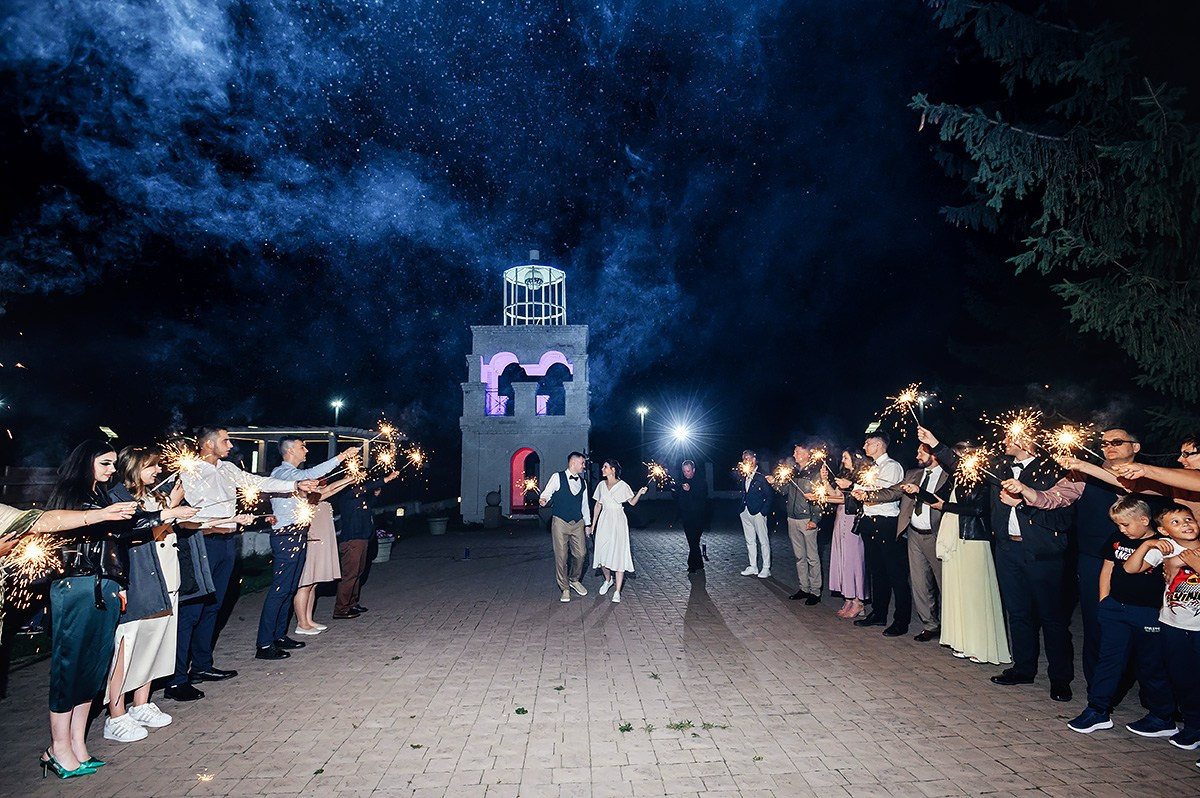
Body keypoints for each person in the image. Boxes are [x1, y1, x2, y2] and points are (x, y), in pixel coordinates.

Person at [172, 427, 320, 699]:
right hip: (200, 542)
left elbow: (259, 482)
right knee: (192, 610)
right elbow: (176, 512)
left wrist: (295, 485)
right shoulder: (189, 470)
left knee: (214, 605)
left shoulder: (228, 469)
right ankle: (177, 678)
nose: (230, 445)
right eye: (224, 440)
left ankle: (202, 666)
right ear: (207, 443)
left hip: (228, 541)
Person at [1003, 427, 1151, 693]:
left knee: (1146, 628)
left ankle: (1152, 697)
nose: (1109, 446)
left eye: (1117, 442)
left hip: (1147, 564)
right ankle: (1099, 693)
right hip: (1095, 560)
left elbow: (1131, 486)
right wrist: (1026, 491)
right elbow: (1052, 499)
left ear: (1136, 447)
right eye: (1104, 443)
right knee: (1097, 624)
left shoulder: (1151, 475)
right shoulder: (1081, 475)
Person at [40, 441, 139, 779]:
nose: (112, 470)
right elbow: (51, 523)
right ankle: (57, 747)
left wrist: (166, 514)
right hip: (75, 588)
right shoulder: (71, 493)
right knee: (69, 667)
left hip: (104, 587)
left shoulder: (102, 495)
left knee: (94, 667)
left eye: (113, 464)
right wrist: (103, 514)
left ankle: (78, 743)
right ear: (86, 461)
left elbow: (122, 532)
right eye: (106, 463)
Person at [103, 447, 198, 743]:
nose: (158, 471)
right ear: (131, 467)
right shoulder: (119, 498)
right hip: (140, 581)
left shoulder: (156, 496)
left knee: (156, 644)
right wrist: (172, 506)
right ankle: (115, 714)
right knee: (128, 645)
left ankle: (141, 703)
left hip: (167, 578)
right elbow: (137, 528)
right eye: (151, 466)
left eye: (158, 465)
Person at [1065, 497, 1176, 737]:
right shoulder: (1117, 539)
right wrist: (1104, 601)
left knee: (1150, 666)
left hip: (1147, 613)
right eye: (1118, 525)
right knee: (1109, 660)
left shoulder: (1163, 545)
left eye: (1126, 525)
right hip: (1115, 609)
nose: (1121, 530)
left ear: (1145, 520)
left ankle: (1162, 717)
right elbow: (1107, 569)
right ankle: (1097, 710)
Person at [986, 422, 1075, 702]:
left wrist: (1022, 504)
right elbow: (963, 466)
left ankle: (1060, 679)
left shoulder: (1054, 470)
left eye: (1010, 437)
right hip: (1008, 551)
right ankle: (1023, 669)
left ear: (1026, 441)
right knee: (1018, 613)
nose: (1003, 441)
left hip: (1043, 555)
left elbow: (1063, 519)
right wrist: (936, 443)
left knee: (1052, 619)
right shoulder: (1001, 468)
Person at [257, 437, 357, 659]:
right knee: (279, 590)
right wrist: (341, 457)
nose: (306, 450)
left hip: (298, 533)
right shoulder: (282, 473)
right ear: (290, 450)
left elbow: (314, 487)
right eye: (302, 446)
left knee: (291, 588)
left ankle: (279, 635)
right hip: (286, 536)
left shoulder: (295, 475)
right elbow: (307, 476)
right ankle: (264, 643)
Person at [916, 434, 1010, 665]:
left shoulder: (983, 478)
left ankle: (980, 645)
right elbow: (938, 499)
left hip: (973, 539)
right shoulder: (957, 479)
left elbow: (978, 510)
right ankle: (962, 641)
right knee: (958, 592)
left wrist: (945, 505)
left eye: (958, 457)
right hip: (955, 537)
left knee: (974, 595)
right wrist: (917, 491)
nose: (955, 462)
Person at [1124, 503, 1200, 752]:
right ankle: (1192, 728)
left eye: (1188, 519)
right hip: (1173, 625)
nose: (1185, 525)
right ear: (1163, 530)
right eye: (1175, 522)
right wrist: (1148, 544)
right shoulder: (1166, 549)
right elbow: (1131, 568)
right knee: (1183, 680)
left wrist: (1187, 563)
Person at [867, 442, 952, 640]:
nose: (917, 455)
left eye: (921, 451)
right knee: (919, 583)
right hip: (913, 534)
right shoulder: (913, 473)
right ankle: (930, 625)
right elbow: (893, 491)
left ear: (935, 454)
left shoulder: (949, 477)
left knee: (943, 583)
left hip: (937, 535)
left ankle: (951, 626)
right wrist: (868, 494)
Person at [845, 431, 907, 636]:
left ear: (880, 445)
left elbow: (885, 493)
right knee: (876, 571)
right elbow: (862, 495)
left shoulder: (892, 467)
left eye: (868, 443)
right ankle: (879, 613)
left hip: (886, 522)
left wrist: (857, 488)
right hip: (869, 522)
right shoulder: (869, 468)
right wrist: (854, 490)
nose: (864, 447)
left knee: (895, 572)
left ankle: (901, 620)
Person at [293, 476, 358, 636]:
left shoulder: (316, 497)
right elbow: (330, 489)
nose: (319, 485)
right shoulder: (303, 499)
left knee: (313, 584)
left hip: (320, 545)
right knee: (304, 585)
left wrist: (348, 481)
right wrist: (347, 479)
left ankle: (308, 620)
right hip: (311, 544)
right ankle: (301, 623)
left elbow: (332, 489)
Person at [332, 472, 398, 619]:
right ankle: (341, 609)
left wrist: (375, 496)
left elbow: (367, 507)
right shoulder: (347, 495)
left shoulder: (358, 498)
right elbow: (364, 489)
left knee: (358, 573)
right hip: (352, 540)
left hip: (362, 539)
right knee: (349, 575)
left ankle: (352, 603)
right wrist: (385, 479)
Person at [590, 459, 647, 603]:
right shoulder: (601, 485)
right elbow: (598, 505)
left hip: (618, 521)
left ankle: (617, 590)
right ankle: (608, 580)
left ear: (613, 470)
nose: (602, 469)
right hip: (604, 520)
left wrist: (639, 492)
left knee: (618, 553)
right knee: (602, 553)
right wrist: (592, 525)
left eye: (605, 467)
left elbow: (632, 502)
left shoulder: (623, 485)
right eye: (603, 466)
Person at [821, 451, 870, 619]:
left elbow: (851, 499)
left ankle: (859, 601)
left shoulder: (862, 477)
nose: (842, 460)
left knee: (853, 560)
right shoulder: (843, 476)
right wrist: (824, 482)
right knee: (842, 558)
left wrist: (847, 488)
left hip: (852, 520)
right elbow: (835, 495)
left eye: (846, 457)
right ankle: (849, 598)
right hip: (840, 518)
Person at [538, 452, 592, 602]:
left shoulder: (583, 482)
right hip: (560, 522)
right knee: (561, 557)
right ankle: (565, 588)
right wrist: (543, 499)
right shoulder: (557, 477)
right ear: (573, 463)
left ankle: (574, 579)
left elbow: (584, 505)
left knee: (581, 554)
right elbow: (547, 492)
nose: (584, 466)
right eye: (582, 463)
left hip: (578, 523)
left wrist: (588, 524)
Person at [777, 445, 823, 603]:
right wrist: (774, 482)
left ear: (806, 454)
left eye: (797, 452)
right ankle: (804, 588)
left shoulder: (815, 473)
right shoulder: (794, 471)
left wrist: (815, 519)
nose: (794, 454)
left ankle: (815, 592)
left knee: (812, 557)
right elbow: (783, 491)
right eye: (794, 451)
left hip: (806, 519)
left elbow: (819, 498)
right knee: (799, 557)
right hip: (792, 518)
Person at [738, 450, 773, 578]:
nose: (745, 461)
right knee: (750, 540)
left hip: (758, 512)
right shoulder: (745, 474)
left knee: (763, 540)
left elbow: (769, 496)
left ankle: (766, 568)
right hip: (745, 511)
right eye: (744, 459)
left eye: (747, 458)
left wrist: (763, 512)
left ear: (753, 460)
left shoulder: (761, 475)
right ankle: (753, 566)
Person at [674, 460, 708, 574]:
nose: (686, 473)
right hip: (686, 516)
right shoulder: (681, 481)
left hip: (698, 516)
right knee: (692, 541)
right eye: (684, 471)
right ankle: (698, 564)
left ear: (693, 470)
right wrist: (675, 490)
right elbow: (677, 497)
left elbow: (702, 497)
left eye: (688, 471)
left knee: (694, 540)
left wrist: (690, 490)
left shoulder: (701, 482)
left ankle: (692, 564)